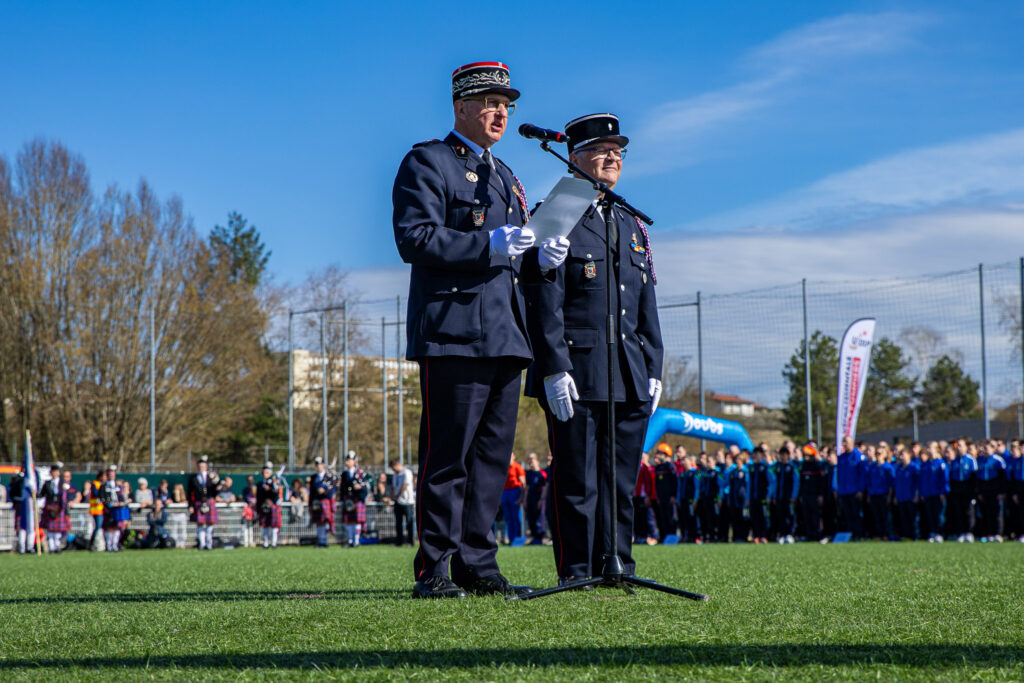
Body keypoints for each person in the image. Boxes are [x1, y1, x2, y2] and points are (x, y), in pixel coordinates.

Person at [393, 61, 538, 600]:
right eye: (490, 102)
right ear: (461, 107)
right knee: (447, 456)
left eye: (507, 104)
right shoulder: (429, 161)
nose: (501, 112)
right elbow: (415, 237)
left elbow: (511, 254)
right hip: (453, 331)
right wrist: (488, 245)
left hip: (505, 333)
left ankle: (478, 565)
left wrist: (537, 253)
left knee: (491, 462)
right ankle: (434, 568)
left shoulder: (504, 177)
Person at [524, 111, 662, 584]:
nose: (612, 158)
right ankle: (577, 570)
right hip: (576, 369)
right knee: (577, 480)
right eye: (602, 150)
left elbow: (645, 302)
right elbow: (540, 296)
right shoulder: (556, 212)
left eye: (618, 151)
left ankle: (617, 564)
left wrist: (654, 365)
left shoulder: (629, 222)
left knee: (621, 480)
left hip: (627, 369)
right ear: (574, 157)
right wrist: (552, 365)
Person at [187, 455, 221, 550]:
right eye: (200, 466)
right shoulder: (193, 478)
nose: (201, 468)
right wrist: (190, 505)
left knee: (210, 523)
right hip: (198, 502)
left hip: (209, 500)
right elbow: (189, 492)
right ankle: (202, 544)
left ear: (206, 467)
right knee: (200, 523)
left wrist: (215, 479)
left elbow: (217, 487)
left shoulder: (211, 477)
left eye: (203, 466)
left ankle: (209, 544)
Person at [975, 440, 1006, 542]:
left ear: (993, 449)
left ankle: (998, 533)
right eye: (984, 448)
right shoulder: (981, 460)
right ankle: (990, 533)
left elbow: (1002, 478)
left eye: (987, 448)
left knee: (996, 512)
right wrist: (979, 492)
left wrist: (1001, 492)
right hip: (985, 490)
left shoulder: (998, 461)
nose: (985, 450)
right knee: (987, 512)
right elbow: (978, 478)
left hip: (995, 490)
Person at [836, 437, 867, 540]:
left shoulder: (859, 457)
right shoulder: (841, 458)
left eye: (847, 442)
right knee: (847, 515)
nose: (845, 444)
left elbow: (862, 475)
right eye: (843, 441)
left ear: (852, 443)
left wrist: (860, 490)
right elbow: (839, 475)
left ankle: (858, 535)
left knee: (855, 514)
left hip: (854, 491)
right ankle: (849, 535)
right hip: (844, 491)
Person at [948, 440, 977, 542]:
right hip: (957, 489)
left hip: (967, 489)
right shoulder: (954, 461)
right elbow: (951, 477)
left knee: (968, 511)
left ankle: (969, 532)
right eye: (957, 446)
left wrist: (973, 492)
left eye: (960, 445)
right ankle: (961, 532)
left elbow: (974, 477)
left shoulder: (970, 460)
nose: (958, 447)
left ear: (965, 447)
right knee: (958, 511)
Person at [798, 442, 826, 542]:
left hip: (814, 495)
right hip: (805, 495)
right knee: (806, 516)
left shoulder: (817, 466)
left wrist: (820, 495)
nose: (806, 457)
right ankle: (809, 535)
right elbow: (801, 482)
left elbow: (820, 482)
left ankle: (817, 534)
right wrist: (801, 495)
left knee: (815, 516)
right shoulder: (803, 466)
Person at [40, 463, 71, 553]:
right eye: (53, 472)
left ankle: (57, 547)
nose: (55, 473)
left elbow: (65, 497)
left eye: (56, 472)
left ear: (58, 473)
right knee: (50, 529)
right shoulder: (47, 483)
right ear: (51, 473)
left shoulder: (62, 483)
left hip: (59, 507)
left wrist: (62, 508)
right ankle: (51, 547)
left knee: (57, 530)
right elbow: (41, 494)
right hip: (49, 507)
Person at [920, 447, 949, 542]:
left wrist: (943, 492)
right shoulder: (925, 464)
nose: (929, 450)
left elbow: (944, 479)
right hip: (928, 494)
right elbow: (922, 480)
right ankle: (932, 532)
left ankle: (939, 533)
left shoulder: (940, 463)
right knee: (930, 514)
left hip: (937, 493)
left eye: (931, 448)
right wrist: (923, 493)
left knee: (939, 515)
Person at [338, 453, 368, 547]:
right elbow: (342, 488)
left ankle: (356, 540)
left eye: (349, 460)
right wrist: (342, 498)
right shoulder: (344, 474)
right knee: (349, 520)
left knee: (357, 520)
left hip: (357, 498)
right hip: (348, 499)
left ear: (354, 461)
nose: (347, 462)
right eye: (346, 460)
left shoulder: (361, 473)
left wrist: (360, 487)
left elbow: (366, 485)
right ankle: (350, 540)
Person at [771, 446, 800, 543]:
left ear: (788, 455)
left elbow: (796, 482)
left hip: (789, 497)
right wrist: (774, 495)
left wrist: (793, 496)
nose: (783, 457)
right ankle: (782, 534)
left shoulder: (792, 467)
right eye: (781, 455)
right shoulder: (777, 467)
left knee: (790, 515)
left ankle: (790, 534)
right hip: (780, 496)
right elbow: (774, 482)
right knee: (780, 516)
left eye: (785, 454)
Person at [746, 447, 775, 544]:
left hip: (763, 497)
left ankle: (764, 535)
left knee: (764, 516)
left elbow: (771, 482)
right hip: (754, 497)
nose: (756, 456)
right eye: (755, 454)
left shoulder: (766, 467)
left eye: (758, 454)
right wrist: (748, 497)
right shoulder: (751, 468)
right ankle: (756, 535)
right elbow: (749, 484)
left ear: (762, 455)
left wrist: (768, 496)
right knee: (754, 517)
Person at [866, 448, 895, 541]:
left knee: (885, 516)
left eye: (880, 453)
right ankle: (879, 534)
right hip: (874, 494)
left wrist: (890, 496)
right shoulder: (872, 467)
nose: (878, 455)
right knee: (876, 516)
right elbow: (869, 482)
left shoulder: (888, 467)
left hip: (884, 494)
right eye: (877, 453)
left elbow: (891, 484)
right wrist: (869, 495)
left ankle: (886, 534)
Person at [308, 456, 337, 548]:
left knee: (326, 521)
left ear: (324, 465)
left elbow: (333, 488)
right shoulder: (313, 478)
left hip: (326, 501)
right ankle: (321, 541)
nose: (318, 466)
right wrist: (310, 504)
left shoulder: (329, 476)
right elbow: (311, 493)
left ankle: (325, 541)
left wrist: (325, 491)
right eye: (317, 464)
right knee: (318, 522)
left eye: (320, 464)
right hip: (316, 502)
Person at [653, 444, 678, 542]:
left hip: (669, 497)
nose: (658, 455)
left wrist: (673, 495)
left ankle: (671, 536)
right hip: (661, 496)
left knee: (670, 517)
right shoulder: (658, 467)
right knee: (662, 517)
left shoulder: (670, 466)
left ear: (665, 454)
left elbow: (674, 482)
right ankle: (664, 537)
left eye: (660, 453)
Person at [256, 462, 283, 549]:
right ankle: (265, 543)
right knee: (265, 525)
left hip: (273, 506)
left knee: (274, 525)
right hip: (263, 505)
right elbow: (259, 497)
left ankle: (274, 543)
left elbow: (277, 492)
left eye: (267, 472)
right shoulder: (260, 484)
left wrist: (272, 487)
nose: (265, 474)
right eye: (264, 472)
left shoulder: (274, 482)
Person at [633, 453, 658, 545]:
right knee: (637, 518)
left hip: (644, 496)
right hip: (636, 496)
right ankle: (640, 536)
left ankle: (653, 536)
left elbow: (649, 482)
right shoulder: (637, 467)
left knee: (648, 518)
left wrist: (648, 495)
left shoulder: (647, 468)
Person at [390, 459, 416, 546]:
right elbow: (394, 487)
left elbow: (405, 485)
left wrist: (397, 496)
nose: (393, 470)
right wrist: (393, 496)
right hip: (398, 502)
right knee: (398, 522)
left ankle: (410, 541)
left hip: (408, 502)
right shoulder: (395, 475)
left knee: (409, 522)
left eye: (393, 468)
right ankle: (399, 541)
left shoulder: (406, 472)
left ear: (397, 465)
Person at [99, 465, 125, 552]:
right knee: (108, 528)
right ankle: (109, 546)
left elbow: (121, 496)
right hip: (108, 510)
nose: (111, 476)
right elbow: (102, 498)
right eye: (109, 474)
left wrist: (121, 502)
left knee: (117, 528)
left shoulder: (118, 486)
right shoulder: (103, 486)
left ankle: (115, 545)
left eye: (113, 474)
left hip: (117, 510)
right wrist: (109, 503)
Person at [501, 453, 526, 543]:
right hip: (505, 492)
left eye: (510, 455)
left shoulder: (517, 467)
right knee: (508, 518)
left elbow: (523, 484)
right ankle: (511, 539)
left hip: (514, 492)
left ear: (514, 457)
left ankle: (517, 538)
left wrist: (521, 497)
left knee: (516, 517)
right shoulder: (504, 467)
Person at [523, 454, 547, 545]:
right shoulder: (528, 474)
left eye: (532, 460)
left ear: (537, 461)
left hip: (538, 499)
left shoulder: (542, 474)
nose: (530, 463)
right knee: (531, 519)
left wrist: (541, 500)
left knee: (539, 519)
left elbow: (545, 487)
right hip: (530, 499)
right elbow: (527, 488)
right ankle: (534, 538)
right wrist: (525, 499)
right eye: (529, 461)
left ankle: (539, 538)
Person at [677, 455, 701, 543]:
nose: (683, 463)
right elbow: (679, 488)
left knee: (692, 518)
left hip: (691, 500)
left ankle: (694, 536)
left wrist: (695, 499)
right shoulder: (683, 474)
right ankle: (686, 536)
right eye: (682, 461)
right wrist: (678, 499)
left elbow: (697, 487)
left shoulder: (695, 473)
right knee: (684, 519)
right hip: (683, 500)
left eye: (685, 461)